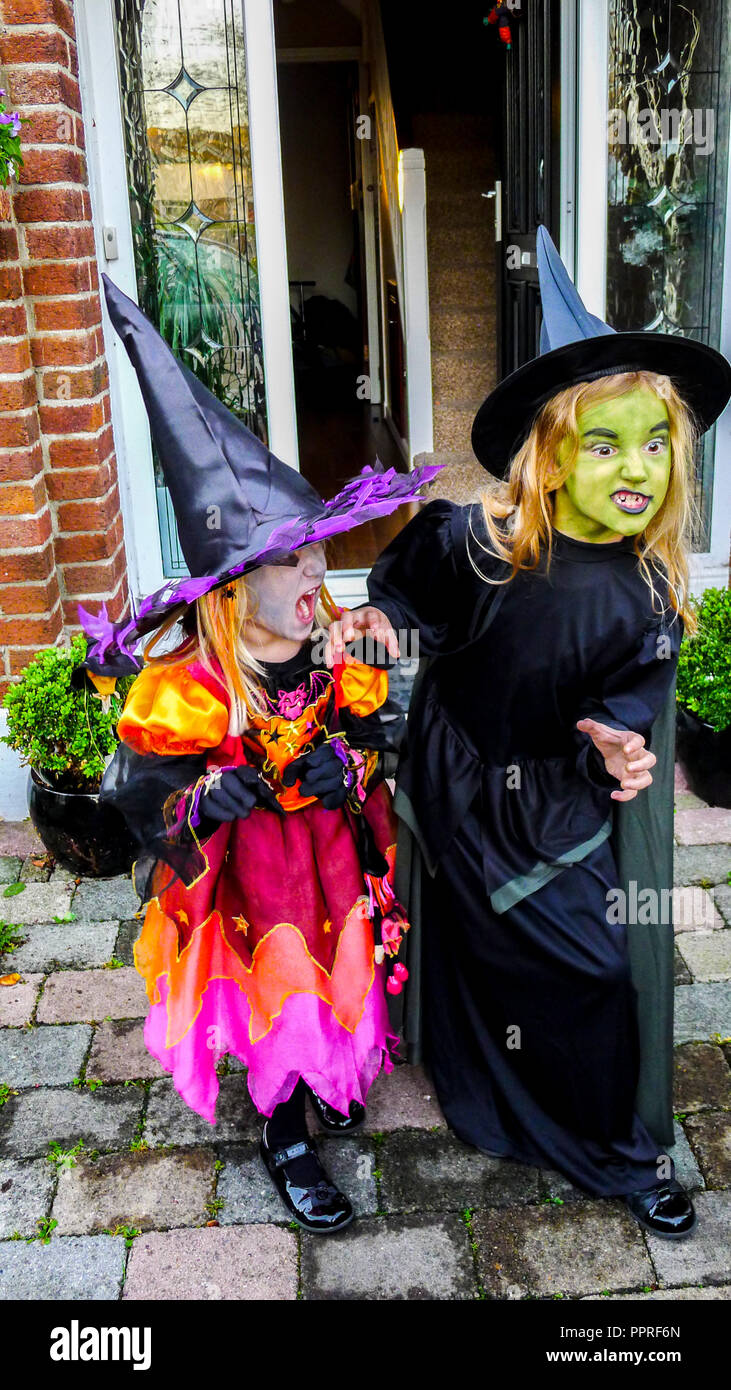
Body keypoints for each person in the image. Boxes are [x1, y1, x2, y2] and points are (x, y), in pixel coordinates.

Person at [329, 227, 731, 1238]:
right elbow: (398, 596)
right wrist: (380, 626)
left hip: (557, 788)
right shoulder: (476, 545)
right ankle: (487, 1085)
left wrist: (621, 739)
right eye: (603, 444)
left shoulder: (645, 583)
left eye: (651, 443)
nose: (632, 466)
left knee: (591, 964)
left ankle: (612, 1147)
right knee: (477, 940)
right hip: (465, 771)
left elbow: (636, 684)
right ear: (548, 459)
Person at [79, 278, 437, 1234]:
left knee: (342, 961)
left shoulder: (337, 648)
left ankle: (329, 1074)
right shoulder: (194, 686)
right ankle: (282, 1124)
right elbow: (136, 795)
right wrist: (205, 793)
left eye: (320, 551)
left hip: (332, 859)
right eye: (295, 559)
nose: (319, 571)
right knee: (271, 980)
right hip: (252, 880)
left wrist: (353, 770)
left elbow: (384, 733)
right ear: (233, 588)